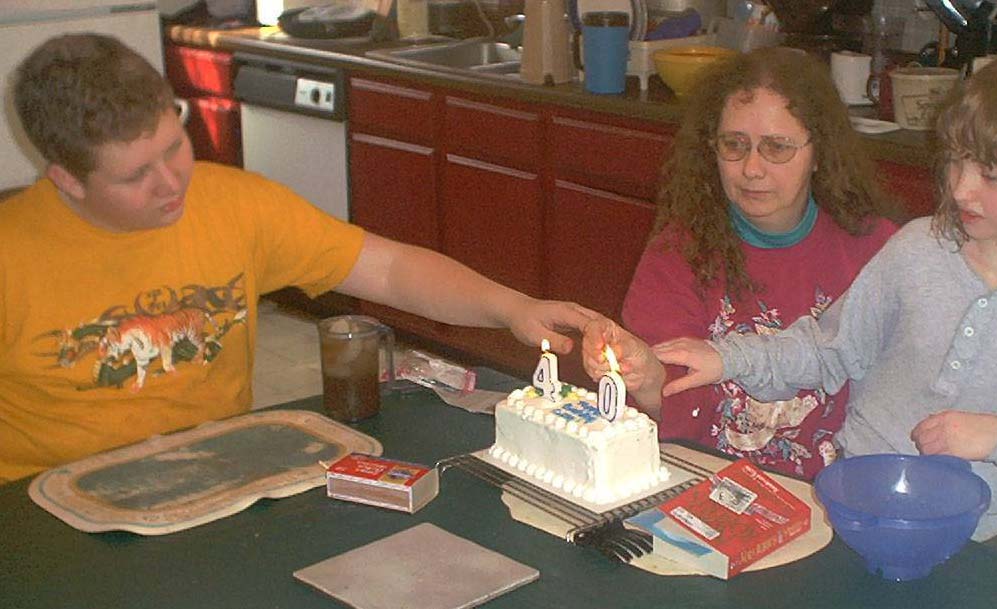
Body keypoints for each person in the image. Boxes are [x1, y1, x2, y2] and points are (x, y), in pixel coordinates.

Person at [607, 52, 997, 558]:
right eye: (955, 162)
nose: (959, 190)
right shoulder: (917, 248)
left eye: (992, 175)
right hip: (850, 520)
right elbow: (827, 350)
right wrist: (731, 359)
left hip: (980, 547)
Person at [0, 33, 595, 483]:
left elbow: (387, 269)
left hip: (220, 474)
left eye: (174, 146)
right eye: (135, 175)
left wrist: (513, 307)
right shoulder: (13, 254)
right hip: (50, 502)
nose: (171, 182)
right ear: (66, 181)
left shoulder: (234, 204)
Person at [583, 47, 899, 481]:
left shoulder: (879, 251)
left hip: (839, 498)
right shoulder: (679, 253)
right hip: (709, 485)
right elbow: (670, 415)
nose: (752, 168)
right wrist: (646, 377)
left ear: (819, 152)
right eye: (734, 145)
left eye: (777, 148)